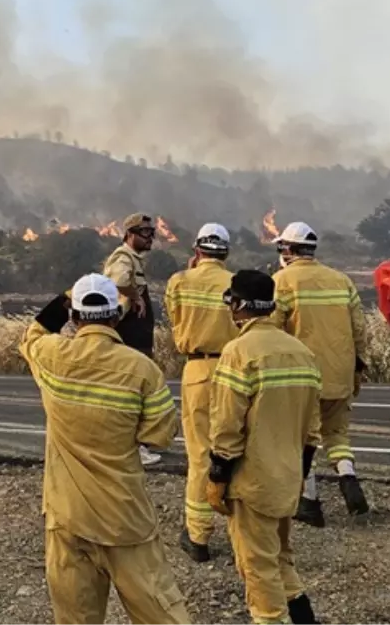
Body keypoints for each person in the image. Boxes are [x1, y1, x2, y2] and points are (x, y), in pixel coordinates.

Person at [19, 273, 191, 625]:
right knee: (161, 613)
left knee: (75, 618)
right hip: (123, 519)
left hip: (68, 518)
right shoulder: (142, 370)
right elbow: (158, 436)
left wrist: (65, 298)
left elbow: (31, 336)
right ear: (116, 317)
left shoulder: (52, 356)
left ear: (75, 317)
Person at [207, 269, 323, 625]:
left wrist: (217, 477)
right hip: (288, 478)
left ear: (239, 305)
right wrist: (300, 475)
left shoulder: (239, 352)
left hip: (252, 482)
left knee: (257, 567)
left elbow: (227, 426)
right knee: (281, 558)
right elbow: (313, 430)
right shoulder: (301, 352)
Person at [271, 222, 370, 528]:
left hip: (302, 377)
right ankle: (348, 478)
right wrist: (358, 366)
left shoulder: (282, 281)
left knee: (302, 439)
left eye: (281, 248)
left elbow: (270, 329)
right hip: (340, 374)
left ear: (289, 250)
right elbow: (359, 330)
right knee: (336, 434)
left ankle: (309, 502)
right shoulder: (341, 281)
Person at [164, 223, 237, 562]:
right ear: (226, 253)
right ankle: (244, 534)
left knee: (199, 455)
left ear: (197, 251)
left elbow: (175, 321)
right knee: (237, 451)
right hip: (237, 369)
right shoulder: (237, 283)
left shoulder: (179, 282)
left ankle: (198, 537)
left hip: (197, 370)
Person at [102, 212, 161, 467]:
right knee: (130, 391)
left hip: (136, 335)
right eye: (145, 233)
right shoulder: (123, 257)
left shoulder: (133, 258)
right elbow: (120, 280)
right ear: (130, 234)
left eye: (152, 233)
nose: (151, 238)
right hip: (128, 335)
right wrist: (135, 298)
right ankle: (131, 447)